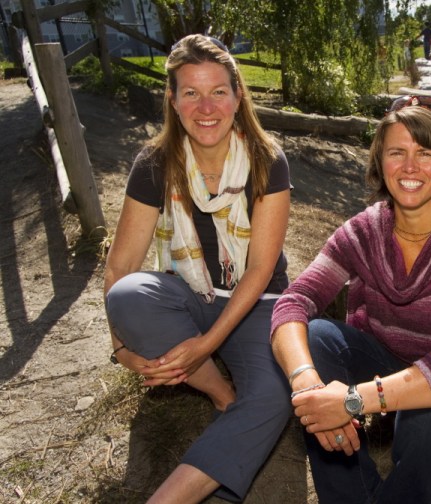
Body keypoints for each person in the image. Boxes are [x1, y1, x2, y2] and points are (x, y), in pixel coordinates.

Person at [270, 96, 431, 504]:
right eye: (397, 152)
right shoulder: (363, 231)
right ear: (380, 162)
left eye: (425, 153)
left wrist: (349, 400)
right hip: (388, 361)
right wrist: (308, 386)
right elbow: (295, 300)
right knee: (318, 335)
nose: (410, 167)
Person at [104, 34, 292, 503]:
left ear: (237, 95)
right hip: (189, 295)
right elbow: (121, 265)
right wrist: (121, 349)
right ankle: (222, 395)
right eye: (191, 92)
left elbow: (260, 270)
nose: (205, 107)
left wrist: (206, 344)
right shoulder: (154, 162)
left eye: (218, 92)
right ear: (173, 99)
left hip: (256, 301)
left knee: (275, 395)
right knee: (128, 295)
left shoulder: (268, 161)